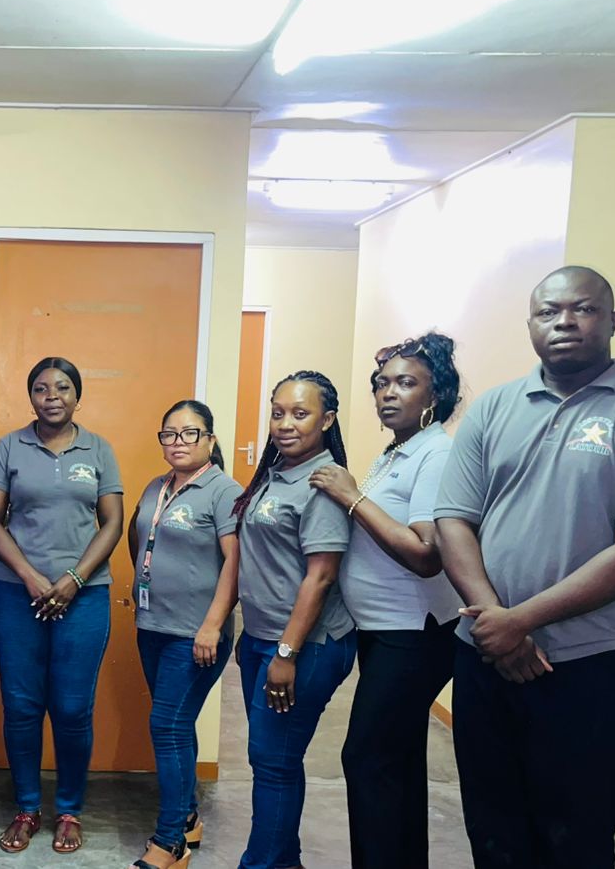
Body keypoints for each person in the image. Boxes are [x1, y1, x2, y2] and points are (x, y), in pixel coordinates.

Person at [434, 266, 615, 869]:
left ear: (613, 320)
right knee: (493, 829)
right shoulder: (493, 408)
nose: (565, 322)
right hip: (485, 658)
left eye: (582, 309)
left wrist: (519, 621)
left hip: (592, 664)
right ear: (530, 323)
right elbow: (453, 520)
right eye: (548, 312)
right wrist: (496, 625)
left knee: (575, 837)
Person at [308, 333, 463, 869]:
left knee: (368, 758)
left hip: (415, 634)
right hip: (384, 631)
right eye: (382, 383)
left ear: (435, 395)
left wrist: (352, 497)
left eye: (406, 383)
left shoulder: (437, 454)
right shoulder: (399, 451)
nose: (388, 393)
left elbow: (426, 554)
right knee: (397, 761)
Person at [0, 357, 124, 856]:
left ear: (77, 396)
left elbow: (112, 522)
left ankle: (68, 810)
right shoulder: (9, 447)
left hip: (84, 598)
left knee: (71, 708)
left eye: (62, 388)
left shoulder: (98, 449)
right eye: (41, 389)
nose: (52, 397)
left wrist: (74, 579)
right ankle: (26, 808)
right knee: (21, 705)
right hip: (15, 594)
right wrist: (30, 575)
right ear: (31, 397)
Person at [231, 370, 356, 869]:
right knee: (275, 761)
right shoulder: (277, 471)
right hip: (263, 639)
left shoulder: (322, 483)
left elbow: (320, 577)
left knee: (273, 763)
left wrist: (285, 653)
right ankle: (284, 862)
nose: (285, 424)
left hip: (305, 645)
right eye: (278, 413)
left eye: (300, 414)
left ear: (327, 420)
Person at [126, 400, 242, 869]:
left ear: (210, 440)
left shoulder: (224, 491)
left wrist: (212, 624)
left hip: (195, 634)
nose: (178, 442)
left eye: (190, 433)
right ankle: (188, 816)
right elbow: (141, 538)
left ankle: (171, 842)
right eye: (169, 434)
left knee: (167, 726)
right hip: (153, 626)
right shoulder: (157, 487)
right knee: (176, 725)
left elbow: (236, 563)